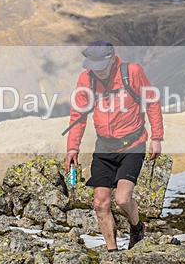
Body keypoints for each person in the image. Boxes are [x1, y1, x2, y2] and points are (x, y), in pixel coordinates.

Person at [64, 40, 164, 251]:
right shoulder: (86, 79)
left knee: (122, 199)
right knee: (100, 203)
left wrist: (156, 137)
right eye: (92, 66)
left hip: (132, 145)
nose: (96, 71)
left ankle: (137, 227)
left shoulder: (131, 72)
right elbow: (78, 115)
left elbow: (152, 102)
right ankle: (113, 252)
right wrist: (72, 148)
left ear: (111, 59)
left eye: (100, 66)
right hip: (104, 148)